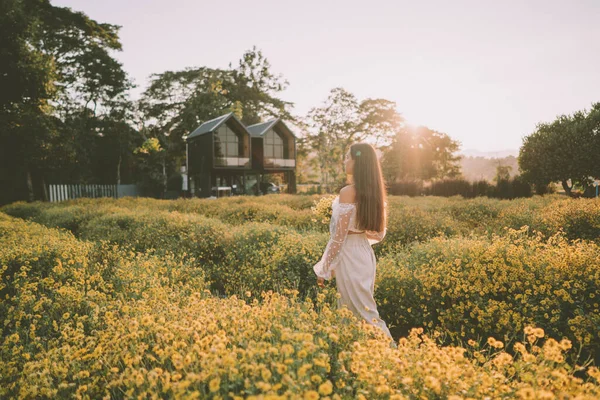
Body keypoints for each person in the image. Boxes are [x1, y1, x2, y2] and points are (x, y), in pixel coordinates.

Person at [313, 142, 392, 339]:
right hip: (364, 254)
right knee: (359, 309)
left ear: (358, 162)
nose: (345, 160)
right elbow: (378, 234)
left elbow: (338, 239)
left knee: (362, 313)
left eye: (348, 157)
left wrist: (324, 267)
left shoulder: (347, 192)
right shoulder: (375, 193)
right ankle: (361, 356)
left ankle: (394, 355)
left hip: (349, 255)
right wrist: (358, 233)